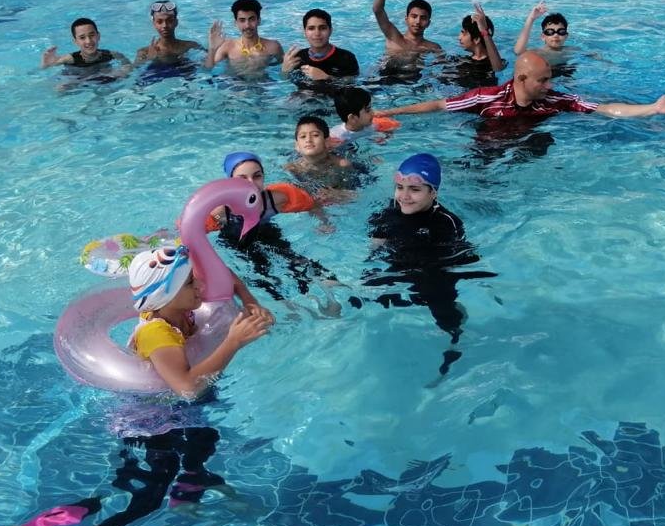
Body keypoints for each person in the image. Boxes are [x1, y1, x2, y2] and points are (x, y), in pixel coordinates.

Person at [3, 245, 271, 526]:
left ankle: (188, 514)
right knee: (141, 495)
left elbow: (222, 277)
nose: (200, 286)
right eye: (190, 283)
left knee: (201, 448)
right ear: (166, 295)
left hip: (178, 414)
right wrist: (234, 342)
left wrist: (250, 301)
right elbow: (187, 388)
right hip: (149, 423)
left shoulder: (178, 310)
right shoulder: (158, 334)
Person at [365, 153, 490, 376]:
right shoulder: (390, 211)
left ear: (433, 192)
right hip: (400, 264)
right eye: (400, 187)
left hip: (433, 270)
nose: (404, 196)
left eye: (414, 189)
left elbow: (457, 258)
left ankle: (455, 342)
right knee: (370, 296)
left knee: (441, 307)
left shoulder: (445, 222)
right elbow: (377, 242)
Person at [378, 51, 665, 123]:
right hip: (491, 145)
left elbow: (604, 109)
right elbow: (438, 105)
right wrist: (388, 112)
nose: (550, 85)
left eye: (549, 78)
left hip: (531, 143)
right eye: (543, 80)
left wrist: (653, 108)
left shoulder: (555, 100)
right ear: (521, 79)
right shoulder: (485, 97)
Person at [207, 151, 339, 299]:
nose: (251, 183)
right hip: (235, 241)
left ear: (263, 177)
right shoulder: (219, 210)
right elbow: (193, 233)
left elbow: (312, 205)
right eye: (242, 178)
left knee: (295, 260)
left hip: (266, 232)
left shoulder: (276, 199)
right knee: (261, 273)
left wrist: (324, 222)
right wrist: (218, 220)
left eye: (257, 176)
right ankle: (284, 301)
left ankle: (329, 287)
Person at [372, 0, 443, 57]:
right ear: (406, 19)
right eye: (414, 16)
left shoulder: (433, 48)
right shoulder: (393, 37)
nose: (418, 21)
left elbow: (443, 64)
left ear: (428, 23)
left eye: (423, 18)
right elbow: (377, 9)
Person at [281, 9, 360, 84]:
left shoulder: (346, 58)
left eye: (322, 28)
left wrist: (327, 77)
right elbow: (284, 82)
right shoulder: (297, 58)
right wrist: (284, 71)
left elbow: (352, 84)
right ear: (304, 32)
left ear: (330, 31)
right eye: (311, 28)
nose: (317, 33)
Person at [205, 0, 284, 70]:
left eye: (252, 19)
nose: (247, 25)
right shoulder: (227, 47)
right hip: (232, 80)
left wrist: (285, 71)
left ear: (259, 21)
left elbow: (284, 68)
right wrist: (212, 49)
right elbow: (208, 70)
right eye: (242, 20)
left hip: (263, 80)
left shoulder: (273, 47)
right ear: (236, 23)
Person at [285, 115, 355, 186]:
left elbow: (351, 189)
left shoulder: (342, 165)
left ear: (327, 141)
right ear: (297, 146)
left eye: (315, 135)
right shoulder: (293, 168)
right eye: (303, 136)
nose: (308, 140)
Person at [447, 4, 506, 87]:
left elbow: (498, 69)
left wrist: (484, 31)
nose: (459, 37)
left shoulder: (495, 63)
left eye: (463, 33)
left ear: (476, 39)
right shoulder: (460, 61)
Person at [41, 17, 131, 71]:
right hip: (77, 78)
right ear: (75, 41)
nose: (88, 41)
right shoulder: (70, 58)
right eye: (82, 37)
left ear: (98, 36)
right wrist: (46, 64)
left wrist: (125, 70)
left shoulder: (112, 54)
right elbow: (46, 67)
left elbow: (128, 66)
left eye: (92, 35)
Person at [135, 0, 205, 65]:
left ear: (176, 22)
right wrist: (149, 59)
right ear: (154, 24)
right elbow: (132, 71)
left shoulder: (191, 46)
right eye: (159, 22)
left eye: (170, 21)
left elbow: (207, 66)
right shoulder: (144, 53)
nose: (165, 25)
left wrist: (211, 47)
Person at [330, 87, 401, 146]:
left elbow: (392, 128)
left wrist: (385, 138)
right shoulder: (337, 135)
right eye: (367, 110)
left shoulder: (373, 124)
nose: (373, 113)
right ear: (352, 118)